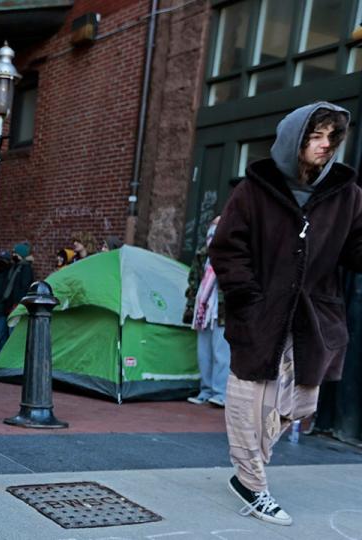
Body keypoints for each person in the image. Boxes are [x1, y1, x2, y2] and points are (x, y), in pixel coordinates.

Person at [209, 102, 362, 526]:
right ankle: (252, 483)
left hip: (313, 316)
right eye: (316, 136)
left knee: (301, 402)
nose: (326, 145)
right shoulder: (255, 189)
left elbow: (355, 250)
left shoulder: (346, 193)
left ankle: (250, 467)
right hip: (260, 311)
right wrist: (247, 299)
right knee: (249, 400)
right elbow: (226, 248)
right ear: (295, 139)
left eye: (332, 137)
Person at [183, 216, 229, 407]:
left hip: (221, 311)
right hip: (203, 310)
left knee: (221, 353)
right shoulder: (203, 255)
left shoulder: (231, 254)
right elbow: (194, 280)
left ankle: (220, 393)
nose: (213, 231)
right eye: (212, 226)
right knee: (204, 353)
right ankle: (206, 390)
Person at [4, 242, 35, 312]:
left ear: (21, 254)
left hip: (17, 303)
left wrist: (17, 302)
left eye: (15, 253)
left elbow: (24, 287)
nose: (13, 255)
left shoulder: (25, 268)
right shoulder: (16, 266)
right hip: (11, 302)